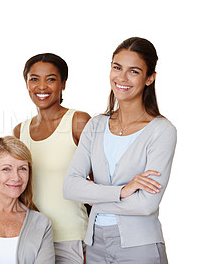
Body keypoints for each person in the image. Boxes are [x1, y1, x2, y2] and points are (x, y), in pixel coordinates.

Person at [63, 37, 177, 264]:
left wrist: (94, 197)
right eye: (117, 67)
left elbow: (146, 205)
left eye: (133, 71)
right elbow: (70, 188)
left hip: (139, 246)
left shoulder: (161, 131)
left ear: (149, 78)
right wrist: (123, 191)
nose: (122, 78)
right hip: (95, 244)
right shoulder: (95, 125)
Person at [13, 53, 91, 264]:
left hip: (71, 236)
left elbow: (97, 182)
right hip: (33, 236)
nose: (42, 86)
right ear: (27, 83)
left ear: (63, 84)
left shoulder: (78, 121)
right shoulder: (20, 131)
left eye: (51, 79)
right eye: (34, 79)